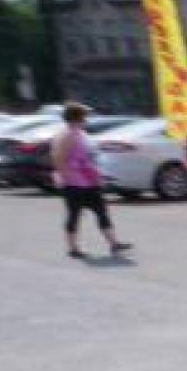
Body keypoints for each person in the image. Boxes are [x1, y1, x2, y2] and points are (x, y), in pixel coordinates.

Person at [50, 102, 131, 259]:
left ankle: (114, 243)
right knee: (74, 214)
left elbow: (88, 153)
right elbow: (58, 158)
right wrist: (65, 176)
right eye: (84, 115)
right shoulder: (66, 135)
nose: (87, 118)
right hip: (74, 182)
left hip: (89, 180)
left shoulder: (79, 132)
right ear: (76, 117)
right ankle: (73, 248)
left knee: (101, 211)